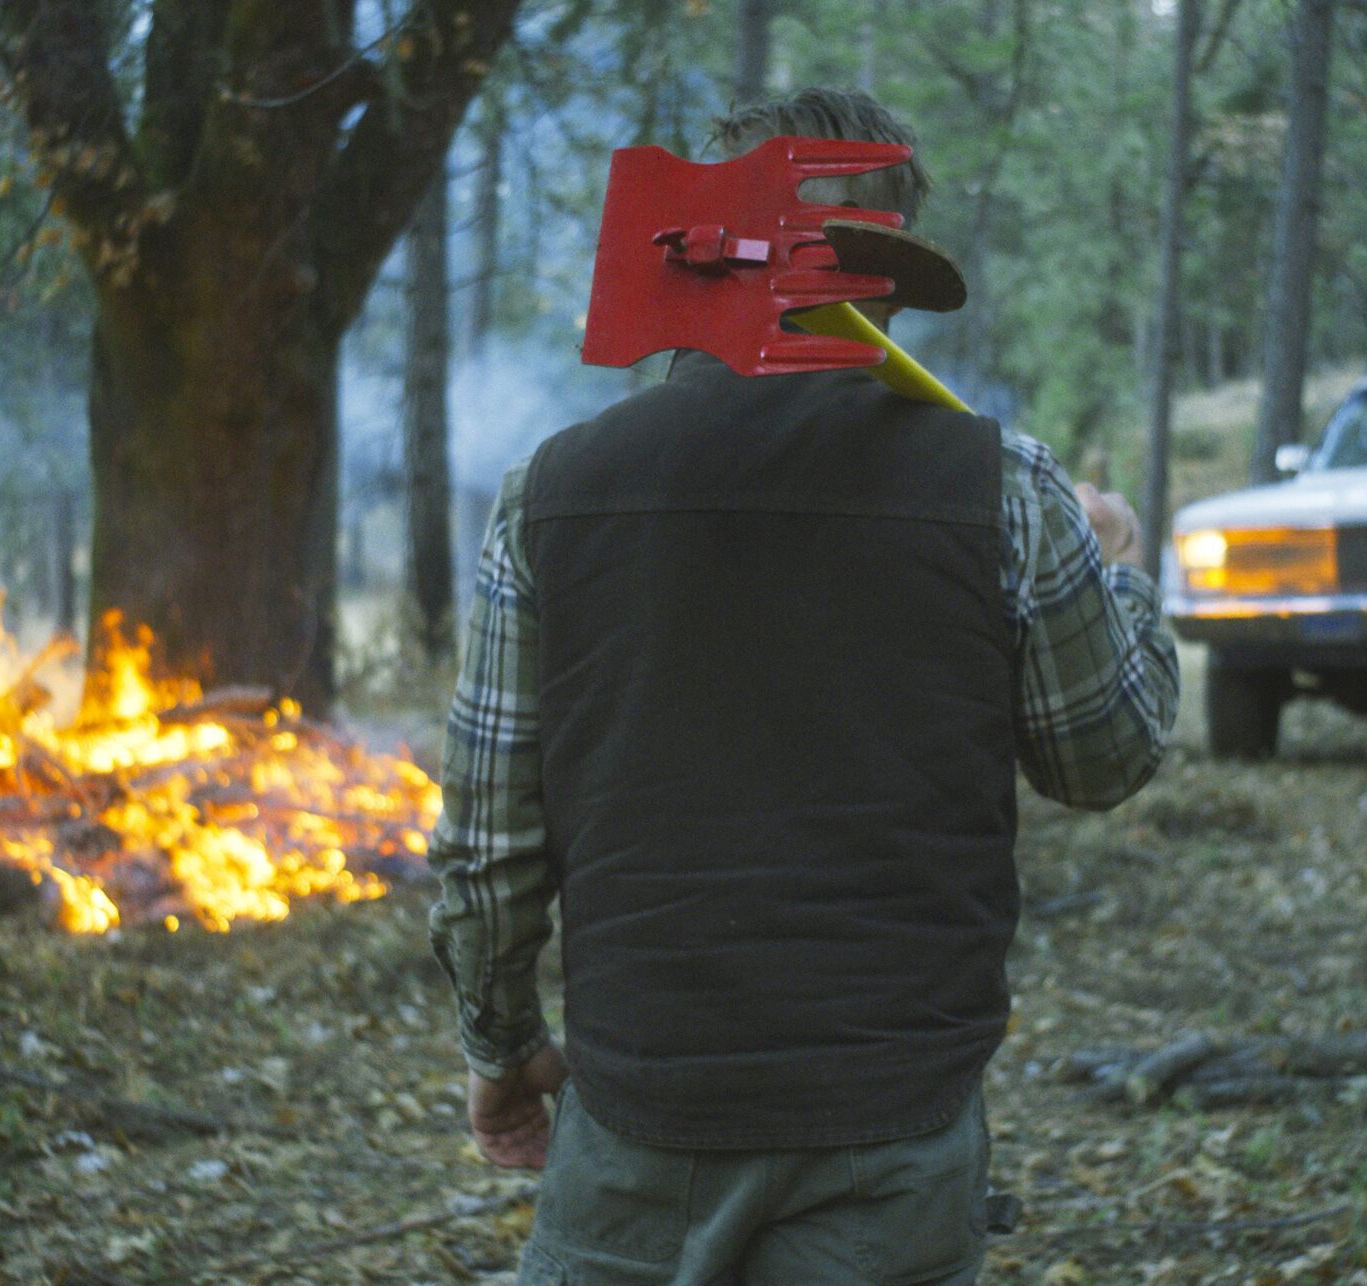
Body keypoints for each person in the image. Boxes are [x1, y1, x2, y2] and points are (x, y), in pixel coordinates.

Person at [426, 87, 1180, 1286]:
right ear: (883, 266)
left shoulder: (553, 493)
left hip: (667, 1110)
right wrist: (1119, 567)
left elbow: (486, 845)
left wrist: (498, 1043)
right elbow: (1107, 753)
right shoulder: (1006, 489)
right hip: (881, 1116)